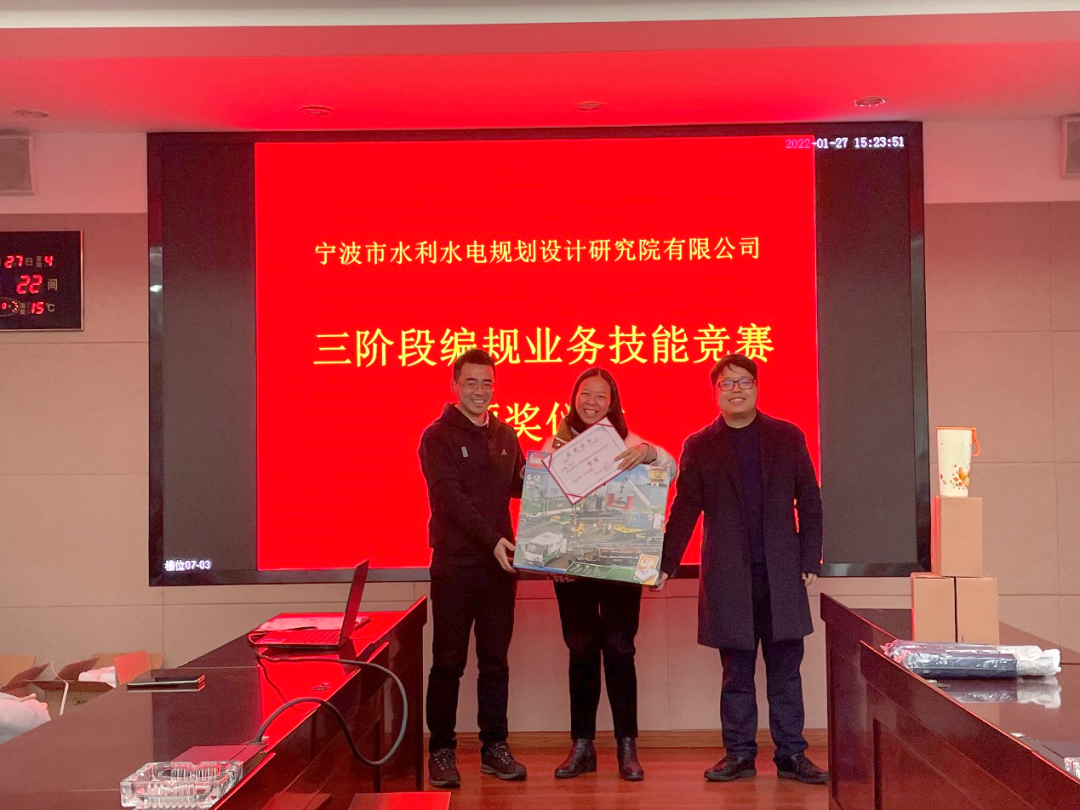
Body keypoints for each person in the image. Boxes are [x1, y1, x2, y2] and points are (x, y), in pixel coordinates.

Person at [653, 353, 828, 785]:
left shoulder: (787, 436)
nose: (736, 389)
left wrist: (809, 557)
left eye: (744, 381)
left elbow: (809, 500)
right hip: (730, 577)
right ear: (715, 392)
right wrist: (664, 564)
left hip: (781, 573)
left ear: (757, 387)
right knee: (736, 674)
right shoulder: (700, 445)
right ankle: (739, 755)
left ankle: (791, 754)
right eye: (727, 383)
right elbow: (684, 510)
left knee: (785, 672)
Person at [541, 368, 677, 782]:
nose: (592, 402)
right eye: (586, 394)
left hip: (620, 567)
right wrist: (552, 561)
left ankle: (627, 747)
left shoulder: (631, 443)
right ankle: (581, 746)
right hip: (572, 570)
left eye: (602, 396)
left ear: (613, 402)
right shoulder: (555, 446)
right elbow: (542, 509)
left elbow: (670, 469)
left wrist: (648, 453)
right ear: (574, 398)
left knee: (619, 648)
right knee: (580, 649)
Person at [418, 348, 528, 788]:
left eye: (487, 383)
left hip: (500, 567)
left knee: (495, 662)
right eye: (471, 382)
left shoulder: (505, 434)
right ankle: (441, 751)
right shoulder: (437, 436)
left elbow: (523, 485)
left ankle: (494, 748)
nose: (480, 390)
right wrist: (491, 539)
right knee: (448, 662)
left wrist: (562, 471)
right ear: (455, 385)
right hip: (455, 565)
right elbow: (450, 499)